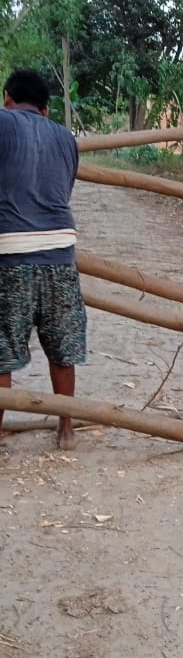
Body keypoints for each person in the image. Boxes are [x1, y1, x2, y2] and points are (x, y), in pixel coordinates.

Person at [0, 68, 87, 450]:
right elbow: (62, 189)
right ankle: (66, 429)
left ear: (7, 98)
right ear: (46, 109)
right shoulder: (66, 137)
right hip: (60, 251)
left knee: (2, 351)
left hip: (10, 252)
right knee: (62, 346)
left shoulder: (2, 122)